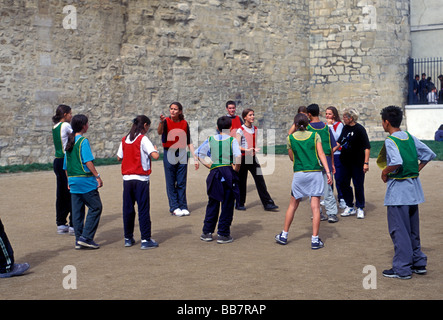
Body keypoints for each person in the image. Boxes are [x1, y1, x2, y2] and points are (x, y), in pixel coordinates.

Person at [378, 105, 436, 279]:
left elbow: (396, 161)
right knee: (412, 229)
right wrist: (416, 170)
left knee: (399, 230)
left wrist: (385, 172)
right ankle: (418, 263)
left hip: (398, 193)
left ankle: (402, 268)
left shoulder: (391, 140)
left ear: (386, 122)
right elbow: (429, 153)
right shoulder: (409, 137)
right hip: (413, 191)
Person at [275, 113, 332, 249]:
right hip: (315, 172)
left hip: (299, 173)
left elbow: (291, 158)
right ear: (307, 123)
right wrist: (328, 171)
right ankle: (314, 239)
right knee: (315, 207)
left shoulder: (290, 138)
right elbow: (321, 154)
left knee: (293, 205)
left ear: (295, 124)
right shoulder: (314, 136)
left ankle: (284, 234)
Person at [196, 116, 242, 244]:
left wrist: (210, 165)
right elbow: (238, 156)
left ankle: (207, 232)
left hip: (215, 173)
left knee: (213, 202)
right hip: (227, 173)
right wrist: (235, 169)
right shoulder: (232, 140)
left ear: (217, 127)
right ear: (231, 128)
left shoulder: (210, 139)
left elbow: (199, 153)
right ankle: (223, 233)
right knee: (227, 203)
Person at [117, 115, 159, 249]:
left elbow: (119, 157)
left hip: (127, 179)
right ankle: (146, 239)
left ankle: (128, 237)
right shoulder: (143, 139)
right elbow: (155, 155)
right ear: (145, 125)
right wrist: (155, 149)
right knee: (143, 209)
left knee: (128, 209)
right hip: (141, 178)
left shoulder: (125, 139)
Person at [64, 114, 103, 249]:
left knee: (77, 212)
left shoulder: (70, 141)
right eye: (87, 123)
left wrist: (69, 180)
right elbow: (88, 161)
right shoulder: (83, 141)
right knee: (96, 207)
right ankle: (86, 237)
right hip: (85, 181)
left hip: (73, 181)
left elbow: (66, 166)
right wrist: (97, 176)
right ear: (83, 126)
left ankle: (78, 239)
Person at [157, 102, 199, 217]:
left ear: (180, 111)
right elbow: (159, 132)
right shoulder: (165, 121)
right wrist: (161, 122)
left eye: (175, 109)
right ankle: (174, 207)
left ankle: (183, 206)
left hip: (181, 153)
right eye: (171, 109)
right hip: (169, 152)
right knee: (171, 181)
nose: (173, 111)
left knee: (181, 181)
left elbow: (189, 141)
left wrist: (194, 157)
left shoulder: (184, 123)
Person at [235, 108, 278, 211]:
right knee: (242, 181)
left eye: (253, 115)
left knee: (260, 180)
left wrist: (253, 150)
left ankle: (268, 203)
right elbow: (236, 146)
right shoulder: (240, 130)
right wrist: (246, 149)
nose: (252, 117)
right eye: (250, 115)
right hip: (243, 158)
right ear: (245, 117)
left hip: (252, 158)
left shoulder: (255, 128)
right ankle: (240, 203)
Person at [306, 104, 338, 223]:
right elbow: (331, 148)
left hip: (312, 163)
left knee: (313, 190)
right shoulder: (326, 128)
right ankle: (332, 213)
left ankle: (317, 212)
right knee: (327, 189)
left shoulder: (307, 128)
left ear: (309, 114)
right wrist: (332, 164)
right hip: (327, 162)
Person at [336, 108, 370, 219]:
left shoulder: (360, 129)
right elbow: (339, 142)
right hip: (345, 161)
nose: (343, 119)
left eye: (345, 117)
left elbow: (367, 147)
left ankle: (360, 207)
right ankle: (349, 206)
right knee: (343, 183)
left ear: (351, 118)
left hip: (357, 162)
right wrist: (330, 151)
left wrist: (366, 163)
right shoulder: (345, 128)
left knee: (358, 185)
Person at [52, 104, 74, 235]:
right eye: (70, 113)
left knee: (61, 192)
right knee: (71, 190)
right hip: (66, 160)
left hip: (57, 160)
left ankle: (61, 223)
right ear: (65, 114)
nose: (71, 116)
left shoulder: (55, 127)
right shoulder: (66, 125)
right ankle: (73, 224)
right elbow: (74, 138)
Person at [325, 106, 346, 210]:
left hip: (337, 154)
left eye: (329, 114)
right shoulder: (325, 125)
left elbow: (336, 138)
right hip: (328, 155)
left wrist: (330, 126)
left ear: (334, 115)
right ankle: (329, 198)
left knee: (338, 178)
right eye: (326, 114)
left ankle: (342, 199)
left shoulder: (339, 124)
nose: (327, 116)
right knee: (328, 178)